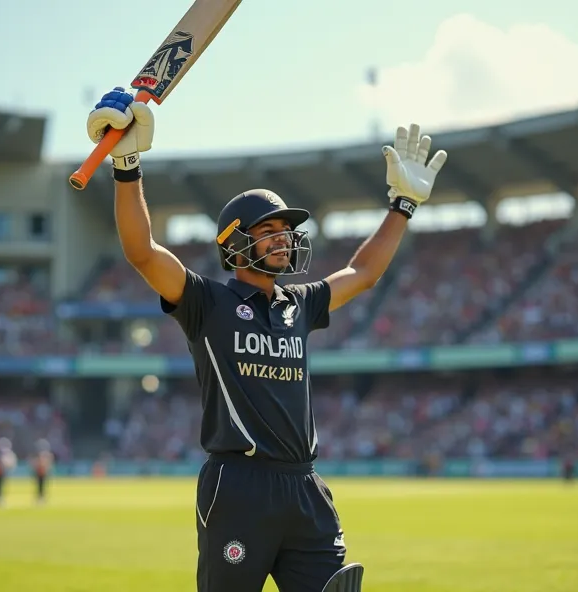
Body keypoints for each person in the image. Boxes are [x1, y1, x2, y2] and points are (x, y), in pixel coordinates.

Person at [87, 87, 447, 592]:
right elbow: (143, 252)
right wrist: (126, 165)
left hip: (305, 486)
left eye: (287, 229)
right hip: (239, 486)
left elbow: (363, 272)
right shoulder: (206, 302)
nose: (284, 237)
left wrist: (403, 205)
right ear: (235, 242)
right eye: (269, 229)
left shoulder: (298, 303)